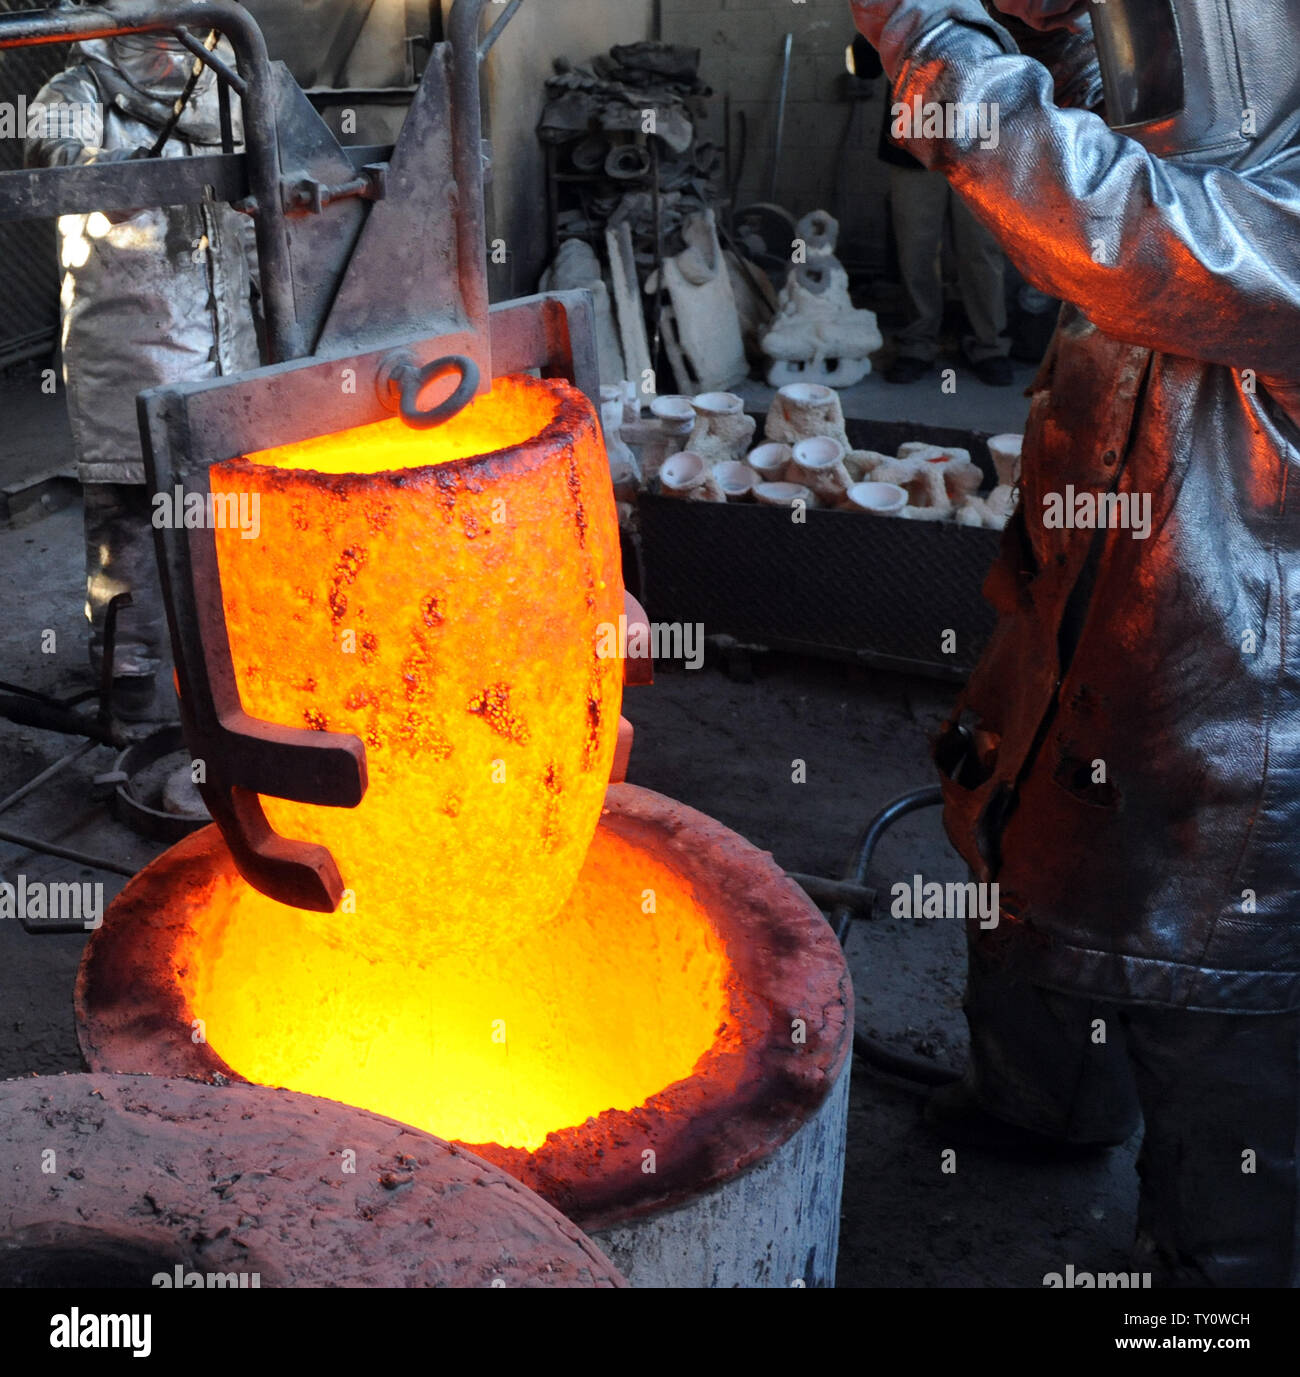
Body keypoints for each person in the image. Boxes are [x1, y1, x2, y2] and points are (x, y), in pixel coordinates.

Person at [852, 0, 1300, 1286]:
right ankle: (1040, 1109)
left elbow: (1114, 223)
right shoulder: (1220, 136)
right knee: (1020, 842)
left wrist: (927, 30)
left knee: (1211, 985)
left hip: (1242, 698)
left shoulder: (1252, 211)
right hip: (1095, 608)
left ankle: (1218, 1269)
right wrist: (1039, 29)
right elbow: (1118, 103)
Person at [25, 30, 259, 722]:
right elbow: (56, 158)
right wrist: (133, 173)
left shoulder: (222, 84)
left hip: (224, 349)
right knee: (130, 523)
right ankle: (132, 692)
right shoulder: (77, 89)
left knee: (226, 515)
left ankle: (230, 669)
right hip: (133, 351)